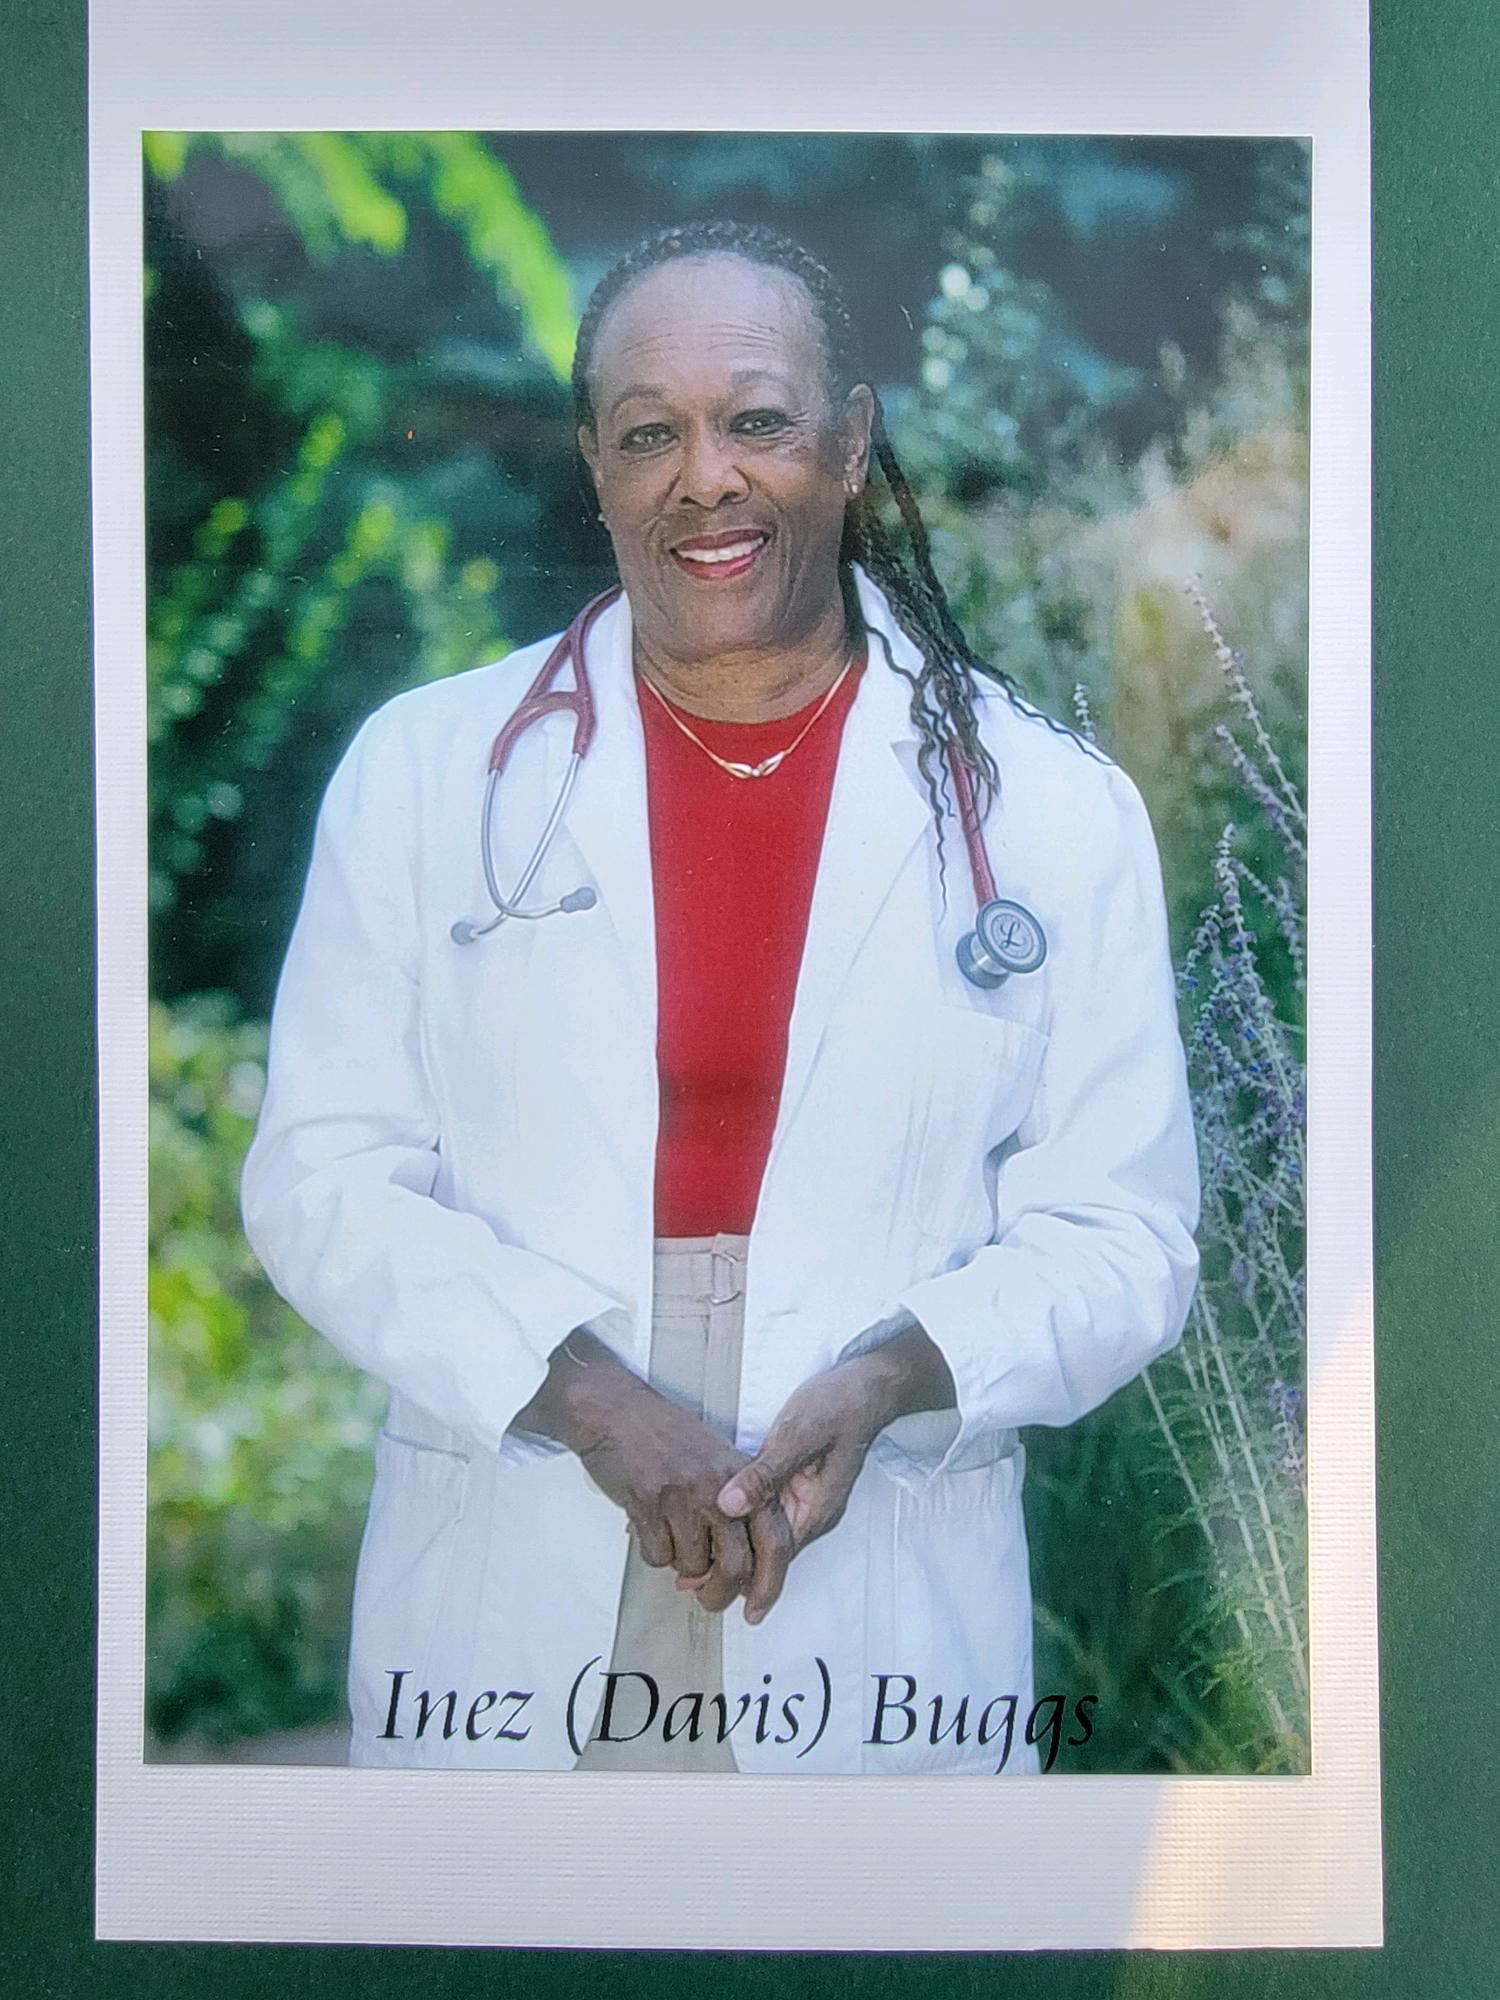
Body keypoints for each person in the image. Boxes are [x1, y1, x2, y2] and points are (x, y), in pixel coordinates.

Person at [239, 220, 1200, 1776]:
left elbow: (1126, 1233)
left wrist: (897, 1376)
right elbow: (319, 1179)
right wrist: (595, 1402)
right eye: (648, 433)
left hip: (876, 1580)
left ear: (852, 439)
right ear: (595, 466)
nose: (707, 477)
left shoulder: (1050, 810)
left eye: (756, 420)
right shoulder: (426, 776)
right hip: (524, 1537)